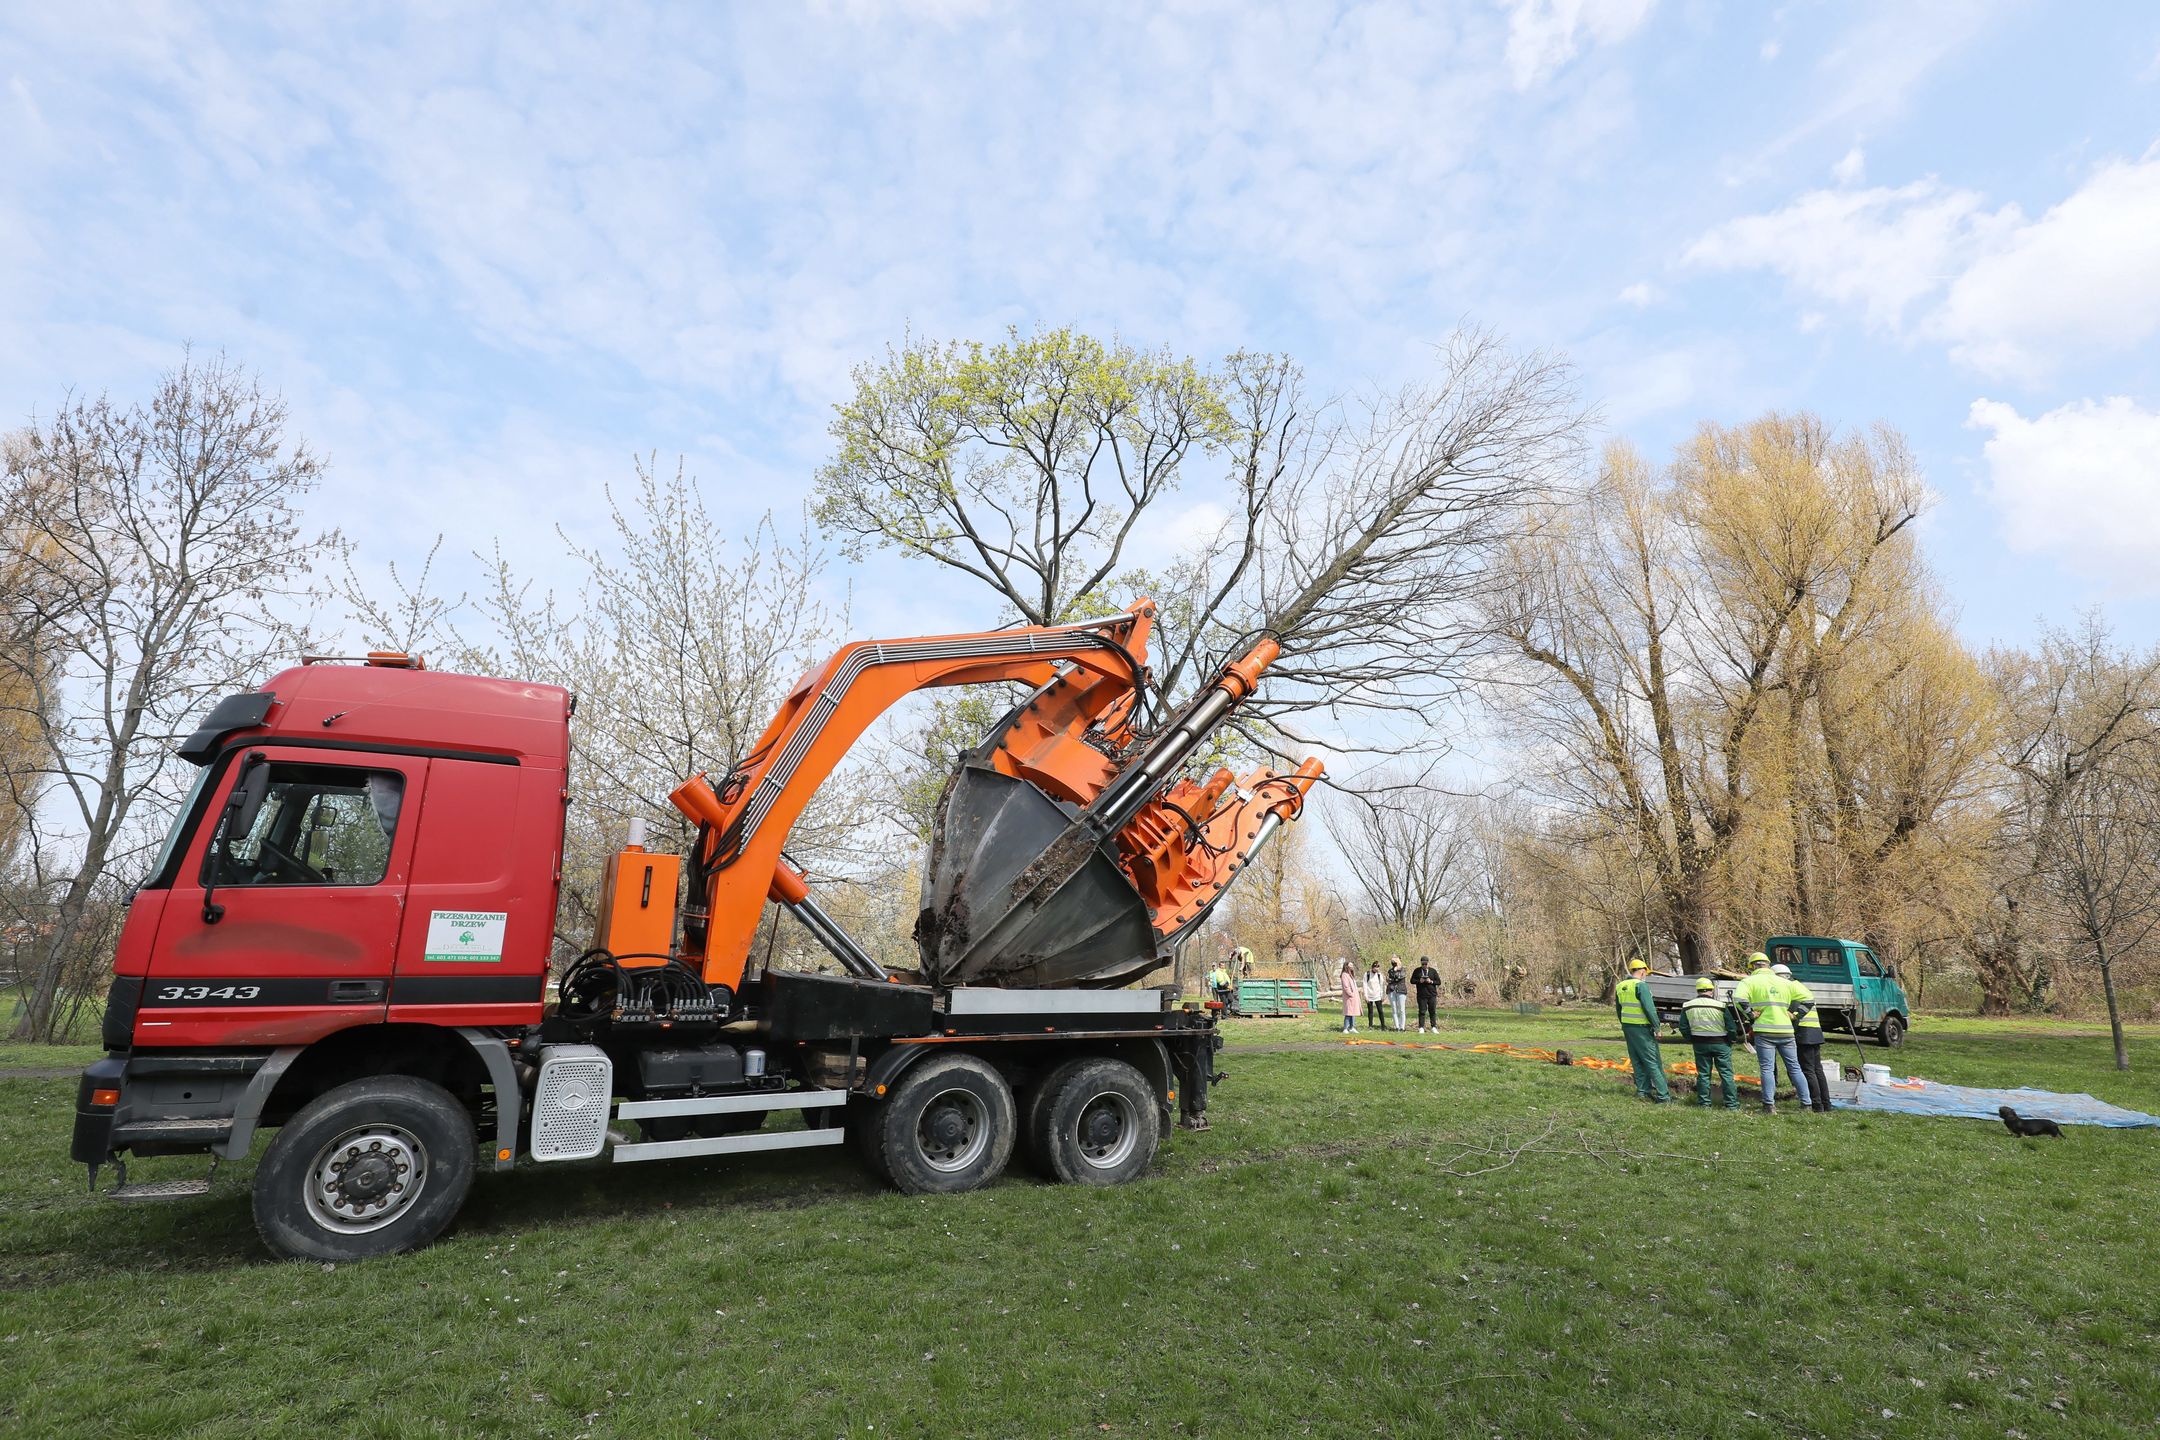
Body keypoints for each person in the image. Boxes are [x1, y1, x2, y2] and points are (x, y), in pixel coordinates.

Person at [1731, 953, 1811, 1114]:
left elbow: (1738, 998)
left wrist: (1750, 1013)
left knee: (1767, 1069)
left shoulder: (1748, 981)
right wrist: (1796, 1015)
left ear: (1752, 967)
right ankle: (1806, 1104)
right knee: (1795, 1068)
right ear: (1768, 965)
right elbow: (1809, 998)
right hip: (1786, 1031)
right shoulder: (1786, 982)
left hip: (1764, 1031)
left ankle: (1769, 1106)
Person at [1677, 977, 1741, 1110]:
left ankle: (1704, 1103)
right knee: (1726, 1074)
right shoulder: (1721, 1006)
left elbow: (1683, 1027)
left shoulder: (1688, 1006)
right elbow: (1731, 1027)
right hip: (1721, 1044)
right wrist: (1732, 1040)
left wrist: (1691, 1038)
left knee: (1704, 1074)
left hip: (1700, 1044)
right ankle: (1732, 1105)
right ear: (1711, 991)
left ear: (1698, 990)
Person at [1614, 957, 1670, 1103]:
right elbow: (1649, 1009)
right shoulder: (1641, 986)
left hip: (1628, 1027)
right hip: (1642, 1029)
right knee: (1653, 1061)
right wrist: (1657, 1027)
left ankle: (1643, 1092)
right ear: (1643, 971)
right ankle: (1663, 1096)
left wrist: (1625, 1025)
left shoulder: (1620, 986)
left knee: (1637, 1060)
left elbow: (1618, 1010)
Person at [1789, 970, 1833, 1113]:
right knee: (1817, 1069)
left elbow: (1794, 1018)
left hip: (1804, 1034)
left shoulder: (1792, 992)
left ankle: (1816, 1104)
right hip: (1815, 1032)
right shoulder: (1801, 988)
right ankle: (1826, 1104)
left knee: (1808, 1070)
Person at [1410, 955, 1442, 1033]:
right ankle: (1421, 1027)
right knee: (1422, 1011)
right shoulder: (1417, 971)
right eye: (1423, 964)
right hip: (1421, 994)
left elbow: (1439, 982)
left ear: (1428, 963)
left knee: (1432, 1011)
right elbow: (1412, 980)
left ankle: (1433, 1027)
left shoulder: (1433, 971)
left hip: (1432, 994)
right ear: (1421, 963)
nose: (1424, 965)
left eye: (1426, 964)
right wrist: (1419, 981)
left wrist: (1431, 981)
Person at [1385, 957, 1410, 1032]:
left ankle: (1402, 1027)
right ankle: (1397, 1027)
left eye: (1394, 961)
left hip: (1401, 990)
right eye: (1392, 961)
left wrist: (1395, 973)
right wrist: (1391, 979)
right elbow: (1388, 979)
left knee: (1401, 1009)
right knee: (1394, 1009)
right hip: (1392, 990)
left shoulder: (1403, 969)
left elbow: (1399, 977)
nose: (1393, 963)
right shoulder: (1390, 970)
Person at [1338, 959, 1361, 1034]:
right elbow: (1346, 987)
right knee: (1348, 1012)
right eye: (1350, 965)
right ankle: (1345, 1028)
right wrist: (1351, 994)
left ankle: (1352, 1027)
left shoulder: (1350, 975)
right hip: (1349, 997)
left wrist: (1355, 995)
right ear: (1346, 966)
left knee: (1353, 1012)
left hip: (1353, 997)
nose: (1352, 967)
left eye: (1352, 965)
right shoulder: (1344, 975)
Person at [1364, 962, 1387, 1032]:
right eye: (1375, 967)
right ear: (1372, 967)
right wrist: (1366, 996)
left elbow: (1382, 986)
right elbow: (1365, 985)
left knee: (1380, 1011)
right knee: (1370, 1011)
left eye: (1378, 967)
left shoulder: (1379, 975)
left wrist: (1382, 995)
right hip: (1369, 995)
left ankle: (1383, 1026)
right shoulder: (1367, 974)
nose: (1376, 969)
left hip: (1378, 995)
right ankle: (1370, 1025)